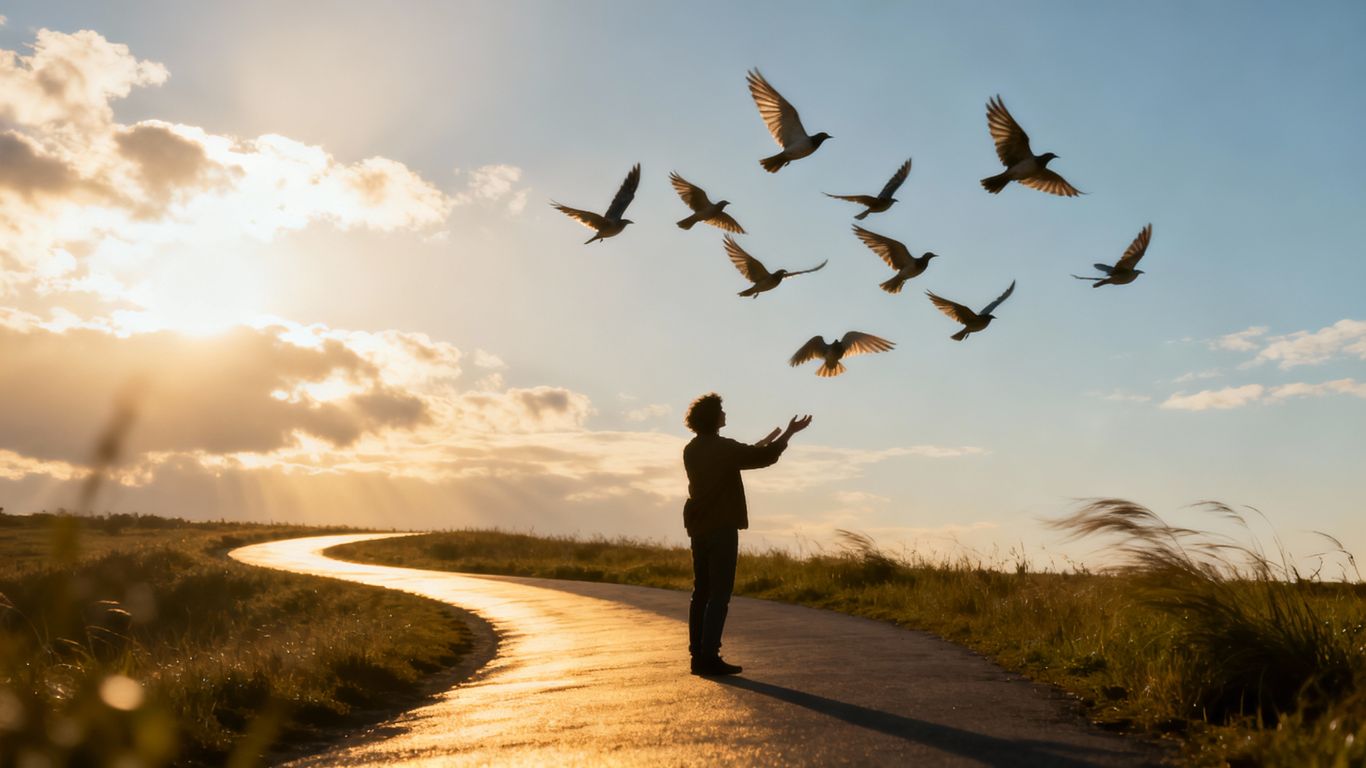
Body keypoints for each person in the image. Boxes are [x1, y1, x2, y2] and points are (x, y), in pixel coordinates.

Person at [681, 392, 812, 676]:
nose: (725, 415)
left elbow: (738, 458)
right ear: (714, 417)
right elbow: (762, 458)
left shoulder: (691, 449)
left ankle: (697, 656)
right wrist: (789, 432)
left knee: (701, 590)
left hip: (699, 527)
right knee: (719, 593)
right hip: (721, 526)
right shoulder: (723, 448)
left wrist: (762, 443)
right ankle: (710, 655)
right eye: (722, 411)